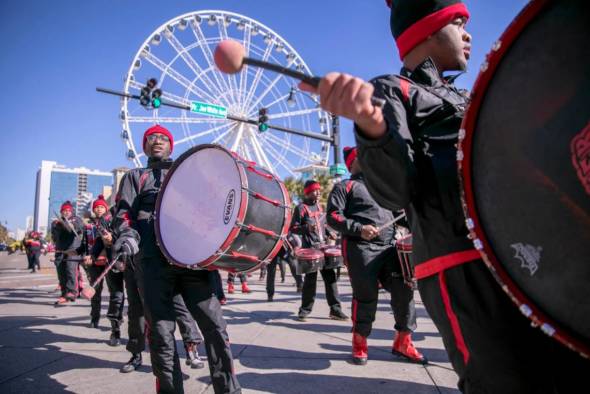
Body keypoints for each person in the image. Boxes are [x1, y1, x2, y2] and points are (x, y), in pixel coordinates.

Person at [300, 0, 590, 392]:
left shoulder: (468, 98)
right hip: (461, 263)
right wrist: (371, 125)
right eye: (458, 23)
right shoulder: (393, 89)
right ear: (428, 30)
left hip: (518, 252)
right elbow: (394, 189)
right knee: (502, 380)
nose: (469, 34)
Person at [113, 124, 240, 393]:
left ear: (171, 145)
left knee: (216, 329)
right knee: (161, 336)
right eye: (150, 138)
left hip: (192, 262)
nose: (157, 141)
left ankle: (229, 390)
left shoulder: (188, 173)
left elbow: (212, 209)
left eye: (163, 138)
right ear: (144, 146)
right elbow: (124, 214)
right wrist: (127, 235)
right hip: (153, 263)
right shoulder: (135, 177)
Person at [327, 147, 426, 365]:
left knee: (404, 290)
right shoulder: (345, 186)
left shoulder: (383, 189)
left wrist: (417, 223)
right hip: (360, 248)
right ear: (354, 161)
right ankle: (359, 342)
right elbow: (333, 217)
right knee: (366, 297)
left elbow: (401, 216)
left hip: (389, 248)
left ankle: (403, 341)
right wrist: (359, 228)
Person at [291, 180, 348, 322]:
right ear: (308, 192)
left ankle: (335, 310)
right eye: (315, 190)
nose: (318, 193)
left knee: (331, 279)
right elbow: (293, 228)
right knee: (310, 281)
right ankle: (304, 310)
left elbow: (324, 224)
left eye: (319, 190)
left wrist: (330, 232)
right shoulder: (301, 208)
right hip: (310, 250)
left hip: (324, 248)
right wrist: (306, 228)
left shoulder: (320, 207)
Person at [81, 195, 126, 346]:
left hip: (137, 262)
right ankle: (115, 330)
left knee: (140, 299)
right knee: (117, 295)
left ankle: (145, 333)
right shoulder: (109, 219)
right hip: (115, 262)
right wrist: (93, 254)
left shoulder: (140, 212)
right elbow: (100, 241)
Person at [51, 201, 84, 305]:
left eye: (68, 210)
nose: (66, 212)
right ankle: (64, 293)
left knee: (70, 270)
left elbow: (76, 229)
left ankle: (72, 292)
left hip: (73, 250)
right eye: (64, 211)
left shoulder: (76, 219)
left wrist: (67, 224)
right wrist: (58, 225)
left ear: (72, 211)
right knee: (61, 273)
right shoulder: (55, 222)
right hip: (60, 250)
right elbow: (55, 237)